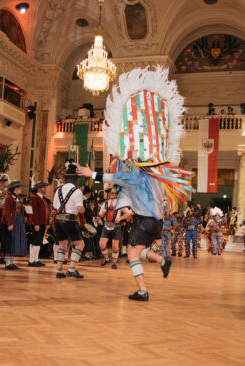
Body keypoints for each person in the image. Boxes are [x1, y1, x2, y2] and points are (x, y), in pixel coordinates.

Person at [77, 66, 192, 301]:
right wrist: (126, 215)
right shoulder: (155, 176)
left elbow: (111, 178)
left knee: (132, 253)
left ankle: (143, 290)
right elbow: (158, 202)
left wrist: (92, 174)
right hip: (156, 221)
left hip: (146, 220)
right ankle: (162, 260)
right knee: (137, 250)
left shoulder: (133, 174)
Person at [53, 161, 85, 279]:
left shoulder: (58, 190)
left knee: (62, 245)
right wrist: (83, 209)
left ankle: (59, 269)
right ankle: (71, 268)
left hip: (58, 220)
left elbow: (56, 207)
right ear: (75, 179)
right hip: (70, 220)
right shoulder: (77, 191)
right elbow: (79, 209)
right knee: (80, 244)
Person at [0, 181, 27, 270]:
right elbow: (6, 212)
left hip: (18, 222)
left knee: (15, 242)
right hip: (12, 221)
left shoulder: (18, 198)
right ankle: (8, 263)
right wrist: (9, 223)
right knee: (10, 242)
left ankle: (11, 262)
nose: (21, 189)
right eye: (19, 188)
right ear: (15, 189)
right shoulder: (9, 198)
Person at [28, 181, 50, 267]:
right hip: (37, 224)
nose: (45, 189)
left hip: (42, 223)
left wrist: (46, 222)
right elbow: (33, 212)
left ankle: (36, 259)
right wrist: (35, 224)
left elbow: (45, 212)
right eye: (44, 187)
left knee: (39, 242)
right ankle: (31, 260)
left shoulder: (42, 199)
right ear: (39, 188)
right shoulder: (34, 198)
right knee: (34, 241)